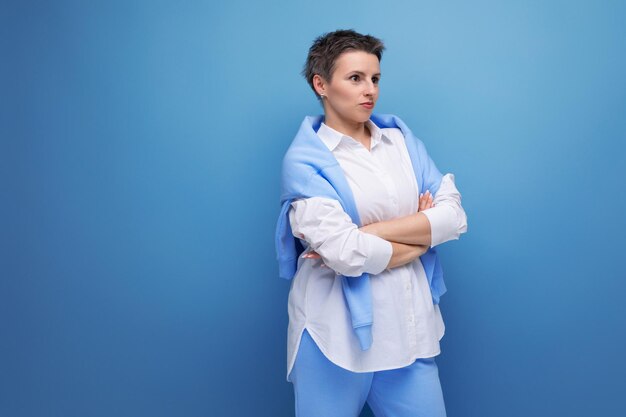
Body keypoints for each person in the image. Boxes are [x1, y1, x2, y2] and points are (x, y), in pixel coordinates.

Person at [275, 29, 468, 417]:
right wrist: (420, 233)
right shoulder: (305, 162)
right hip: (333, 341)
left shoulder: (401, 141)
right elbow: (346, 254)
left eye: (375, 79)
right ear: (321, 84)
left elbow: (453, 217)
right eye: (355, 78)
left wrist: (370, 233)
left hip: (408, 333)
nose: (370, 90)